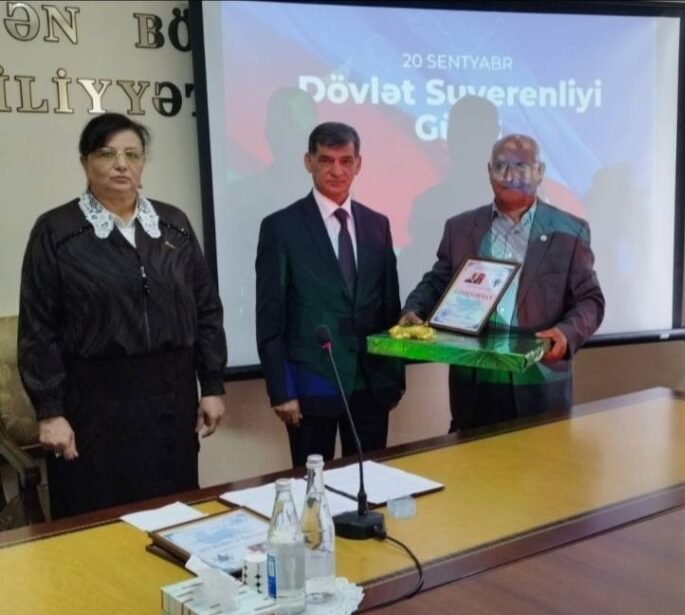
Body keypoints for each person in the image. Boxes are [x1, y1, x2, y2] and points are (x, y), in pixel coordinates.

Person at [18, 112, 227, 519]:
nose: (121, 164)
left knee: (173, 516)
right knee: (97, 521)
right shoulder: (57, 231)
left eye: (132, 154)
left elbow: (206, 308)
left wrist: (213, 384)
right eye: (106, 153)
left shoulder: (173, 225)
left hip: (171, 400)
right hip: (94, 405)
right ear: (85, 162)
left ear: (143, 163)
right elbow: (38, 329)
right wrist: (50, 410)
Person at [401, 134, 604, 431]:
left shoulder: (569, 232)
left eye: (521, 166)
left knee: (540, 461)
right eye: (501, 166)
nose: (510, 176)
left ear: (540, 172)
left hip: (539, 380)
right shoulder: (460, 228)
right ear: (488, 171)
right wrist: (414, 309)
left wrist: (566, 333)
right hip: (475, 385)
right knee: (473, 459)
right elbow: (438, 282)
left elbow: (590, 300)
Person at [256, 122, 403, 467]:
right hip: (311, 384)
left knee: (370, 482)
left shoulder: (377, 225)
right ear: (309, 161)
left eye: (346, 161)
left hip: (370, 385)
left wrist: (394, 379)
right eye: (326, 160)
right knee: (313, 486)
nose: (337, 171)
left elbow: (389, 307)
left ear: (358, 164)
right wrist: (282, 390)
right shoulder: (281, 227)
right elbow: (271, 316)